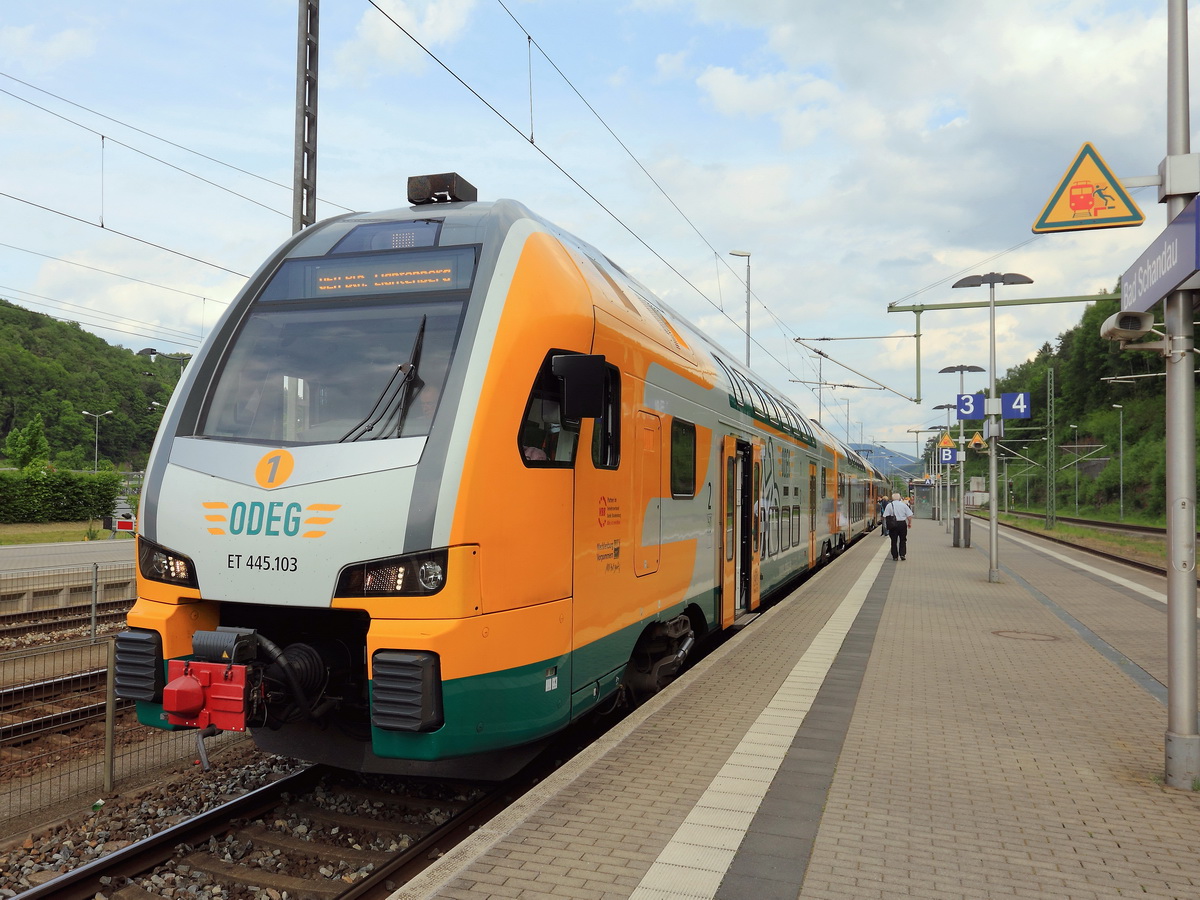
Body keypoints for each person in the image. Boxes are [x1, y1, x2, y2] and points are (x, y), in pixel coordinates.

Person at [883, 491, 914, 561]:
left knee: (893, 540)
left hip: (893, 524)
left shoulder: (889, 505)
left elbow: (885, 516)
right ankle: (902, 554)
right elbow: (909, 515)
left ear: (892, 498)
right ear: (899, 498)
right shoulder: (903, 505)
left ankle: (895, 556)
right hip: (902, 524)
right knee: (903, 539)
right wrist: (909, 523)